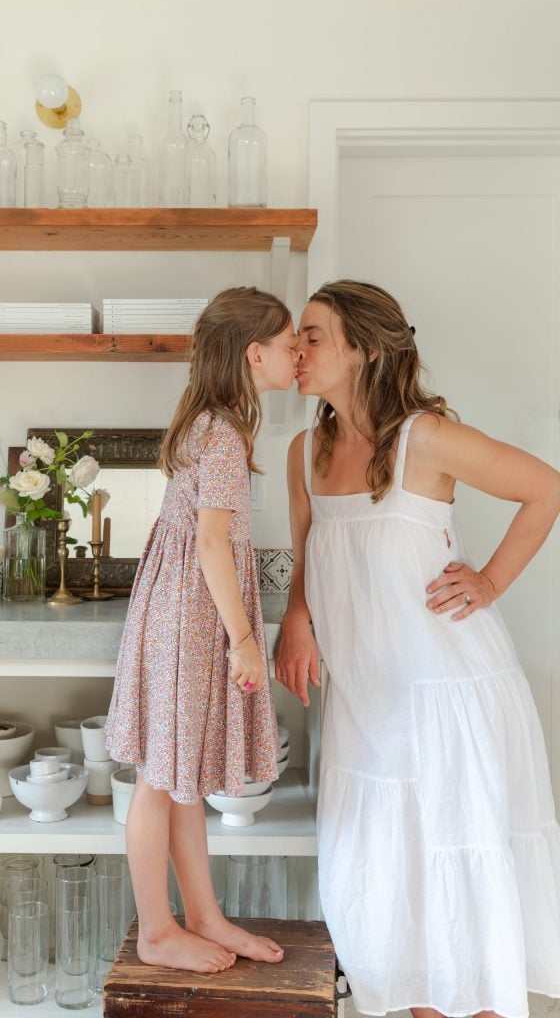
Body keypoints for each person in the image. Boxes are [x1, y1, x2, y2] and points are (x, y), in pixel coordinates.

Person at [275, 279, 560, 1018]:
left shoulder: (424, 438)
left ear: (366, 349)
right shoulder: (305, 451)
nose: (295, 350)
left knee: (458, 894)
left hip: (451, 696)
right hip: (367, 706)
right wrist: (297, 616)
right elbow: (310, 551)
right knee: (393, 902)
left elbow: (546, 487)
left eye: (312, 335)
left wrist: (491, 580)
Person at [106, 286, 298, 974]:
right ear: (254, 353)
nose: (297, 352)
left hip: (180, 614)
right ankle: (158, 931)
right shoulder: (223, 435)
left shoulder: (209, 425)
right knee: (161, 781)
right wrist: (246, 640)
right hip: (192, 621)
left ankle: (204, 915)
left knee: (174, 773)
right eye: (288, 342)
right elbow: (213, 546)